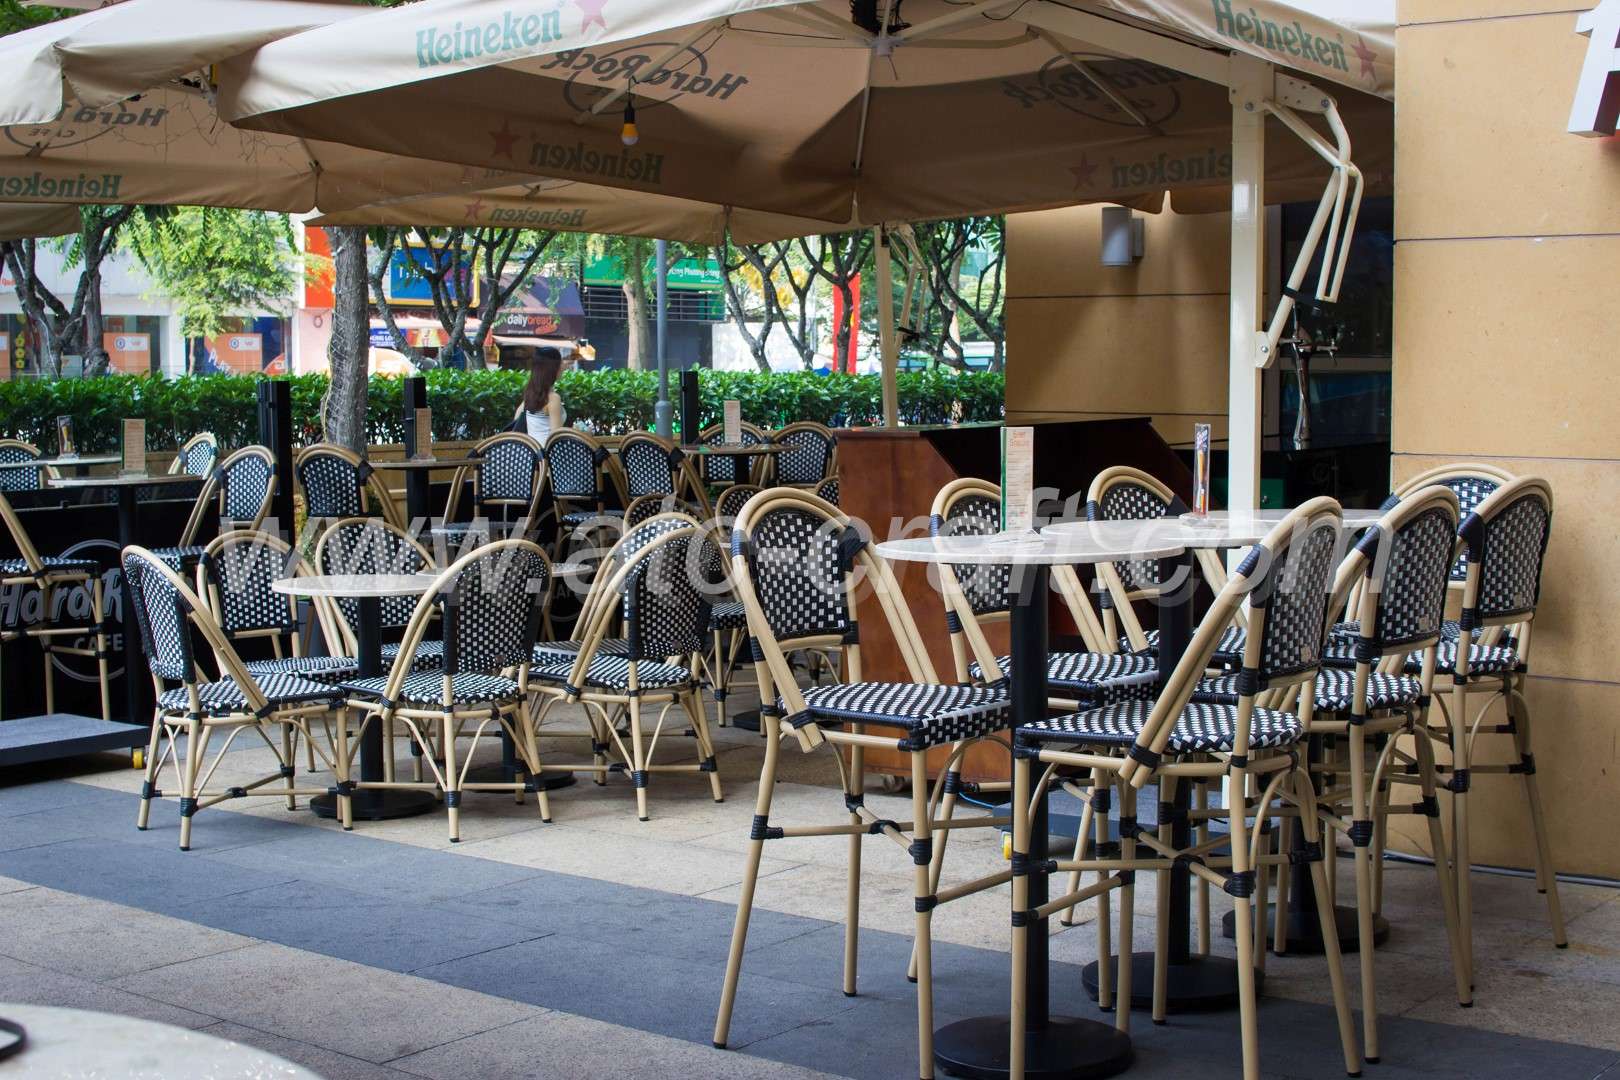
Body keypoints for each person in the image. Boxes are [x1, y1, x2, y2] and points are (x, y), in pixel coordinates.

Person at [516, 345, 567, 445]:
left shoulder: (529, 395)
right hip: (547, 457)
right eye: (560, 363)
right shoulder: (553, 398)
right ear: (553, 368)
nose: (563, 366)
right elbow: (556, 438)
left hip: (531, 454)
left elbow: (516, 420)